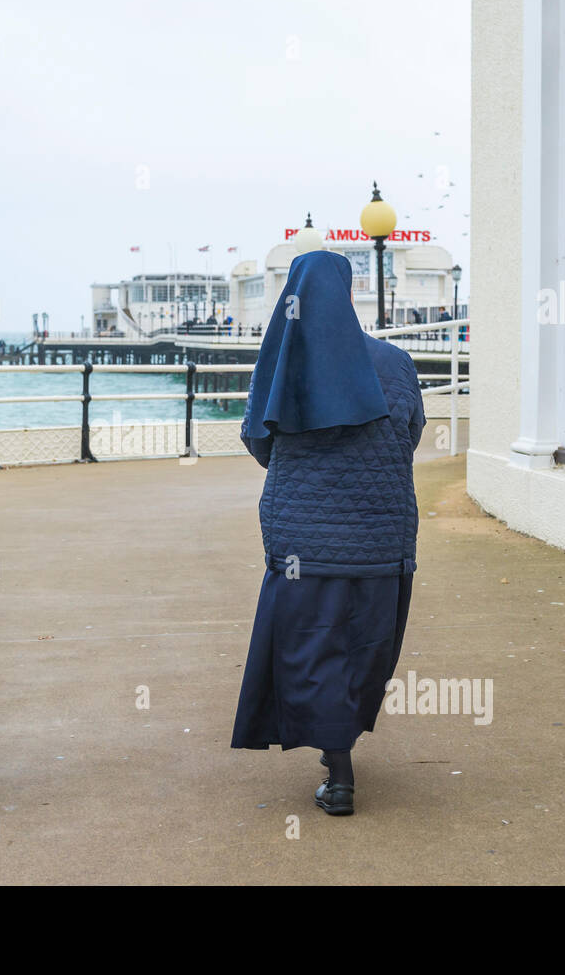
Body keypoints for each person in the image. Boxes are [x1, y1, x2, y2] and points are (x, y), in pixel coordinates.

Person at [231, 249, 426, 817]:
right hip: (383, 539)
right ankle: (340, 749)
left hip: (304, 546)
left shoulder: (283, 361)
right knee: (365, 645)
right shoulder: (395, 362)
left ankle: (339, 773)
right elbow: (411, 434)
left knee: (311, 647)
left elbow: (259, 444)